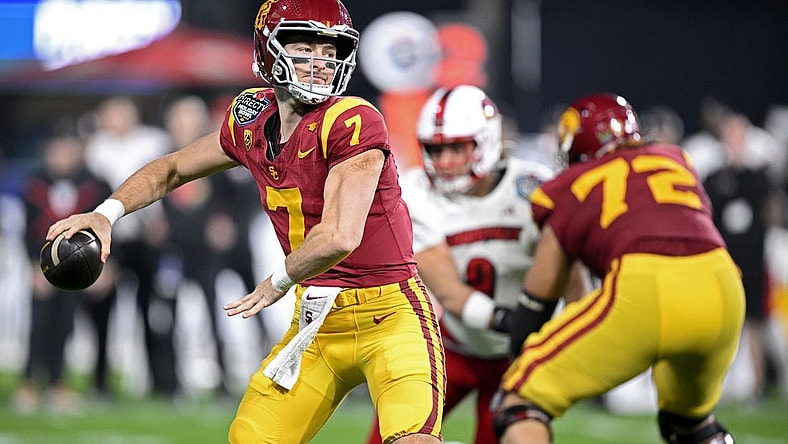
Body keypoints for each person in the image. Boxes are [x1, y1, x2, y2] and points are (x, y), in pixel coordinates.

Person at [45, 0, 445, 443]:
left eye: (330, 50)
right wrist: (106, 214)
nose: (321, 62)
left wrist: (276, 281)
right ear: (270, 52)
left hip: (389, 313)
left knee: (413, 439)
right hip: (317, 320)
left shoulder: (352, 120)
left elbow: (340, 234)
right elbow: (173, 169)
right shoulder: (250, 118)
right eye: (306, 48)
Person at [492, 93, 745, 444]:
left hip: (648, 285)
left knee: (519, 400)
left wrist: (519, 350)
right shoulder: (675, 159)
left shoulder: (565, 187)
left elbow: (539, 297)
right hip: (724, 285)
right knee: (690, 421)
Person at [365, 85, 586, 444]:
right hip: (450, 345)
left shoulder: (534, 189)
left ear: (485, 143)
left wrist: (571, 328)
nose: (445, 161)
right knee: (390, 437)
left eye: (457, 147)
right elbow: (450, 293)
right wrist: (513, 320)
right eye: (436, 149)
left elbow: (570, 270)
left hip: (516, 357)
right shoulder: (417, 194)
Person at [13, 124, 115, 414]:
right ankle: (29, 382)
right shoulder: (34, 182)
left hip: (79, 267)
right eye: (57, 150)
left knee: (66, 325)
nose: (62, 156)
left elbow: (109, 227)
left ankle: (60, 382)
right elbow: (26, 229)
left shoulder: (96, 184)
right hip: (43, 266)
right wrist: (33, 265)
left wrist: (105, 264)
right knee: (37, 324)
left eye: (68, 150)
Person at [703, 110, 784, 401]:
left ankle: (758, 386)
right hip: (724, 261)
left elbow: (771, 213)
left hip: (754, 258)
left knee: (757, 323)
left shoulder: (759, 176)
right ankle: (719, 386)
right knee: (722, 323)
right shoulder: (714, 177)